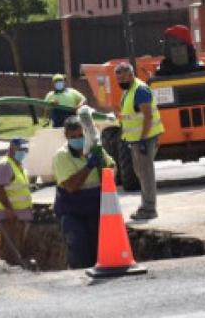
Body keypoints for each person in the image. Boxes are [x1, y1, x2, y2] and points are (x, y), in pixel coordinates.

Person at [52, 116, 114, 269]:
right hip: (72, 213)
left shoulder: (94, 149)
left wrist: (105, 167)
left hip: (96, 210)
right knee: (79, 252)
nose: (78, 139)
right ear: (66, 136)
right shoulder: (62, 156)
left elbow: (112, 169)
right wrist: (89, 166)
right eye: (73, 137)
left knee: (99, 252)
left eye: (80, 135)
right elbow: (71, 186)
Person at [114, 62, 163, 221]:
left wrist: (143, 139)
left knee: (146, 173)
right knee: (141, 172)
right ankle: (146, 205)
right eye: (118, 79)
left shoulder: (140, 90)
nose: (121, 82)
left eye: (123, 78)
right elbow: (134, 115)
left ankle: (149, 208)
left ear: (131, 75)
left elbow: (148, 116)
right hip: (137, 139)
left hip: (145, 138)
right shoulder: (129, 90)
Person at [0, 138, 32, 266]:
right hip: (10, 216)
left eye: (25, 150)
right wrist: (9, 209)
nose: (23, 152)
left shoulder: (17, 165)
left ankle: (15, 270)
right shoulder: (5, 165)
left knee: (17, 248)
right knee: (10, 250)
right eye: (20, 149)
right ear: (11, 149)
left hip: (19, 215)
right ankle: (8, 273)